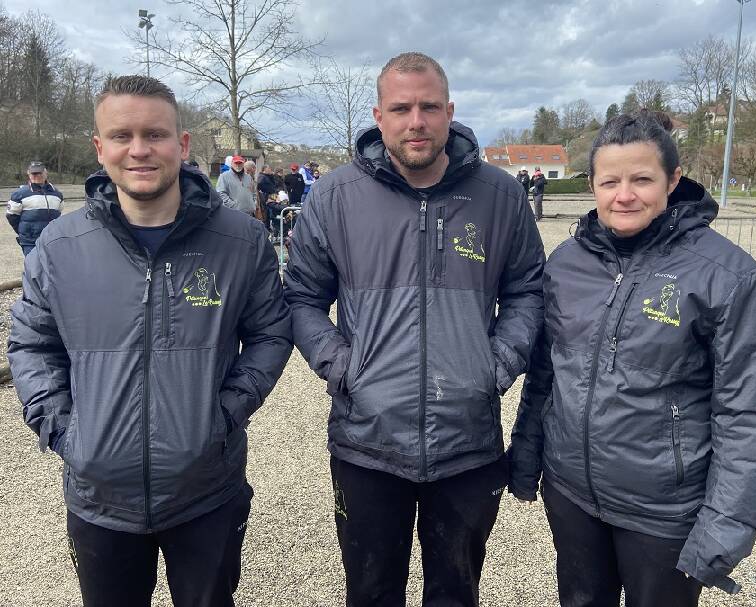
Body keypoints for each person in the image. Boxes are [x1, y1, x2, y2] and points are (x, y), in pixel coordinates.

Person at [8, 75, 293, 607]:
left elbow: (271, 334)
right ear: (100, 147)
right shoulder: (60, 245)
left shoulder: (240, 241)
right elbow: (31, 344)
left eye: (155, 134)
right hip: (100, 500)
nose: (139, 149)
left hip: (207, 492)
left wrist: (223, 416)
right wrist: (66, 430)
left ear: (181, 144)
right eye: (122, 135)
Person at [284, 52, 545, 607]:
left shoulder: (501, 196)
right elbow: (302, 297)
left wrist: (495, 365)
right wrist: (342, 366)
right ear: (379, 116)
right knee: (371, 591)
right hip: (367, 444)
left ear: (450, 111)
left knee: (456, 592)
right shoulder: (334, 197)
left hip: (466, 443)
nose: (416, 121)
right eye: (401, 108)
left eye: (429, 107)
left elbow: (527, 290)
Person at [509, 111, 756, 607]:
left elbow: (750, 414)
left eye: (641, 179)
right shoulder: (567, 264)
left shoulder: (730, 278)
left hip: (664, 512)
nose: (624, 195)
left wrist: (726, 524)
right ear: (592, 185)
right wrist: (527, 456)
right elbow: (547, 372)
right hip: (571, 494)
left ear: (673, 180)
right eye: (609, 181)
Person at [6, 161, 64, 256]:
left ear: (46, 173)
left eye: (39, 173)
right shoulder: (19, 194)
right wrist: (24, 231)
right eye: (33, 173)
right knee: (33, 265)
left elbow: (58, 213)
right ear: (28, 174)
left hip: (51, 240)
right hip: (30, 242)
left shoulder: (57, 194)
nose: (36, 176)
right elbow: (11, 216)